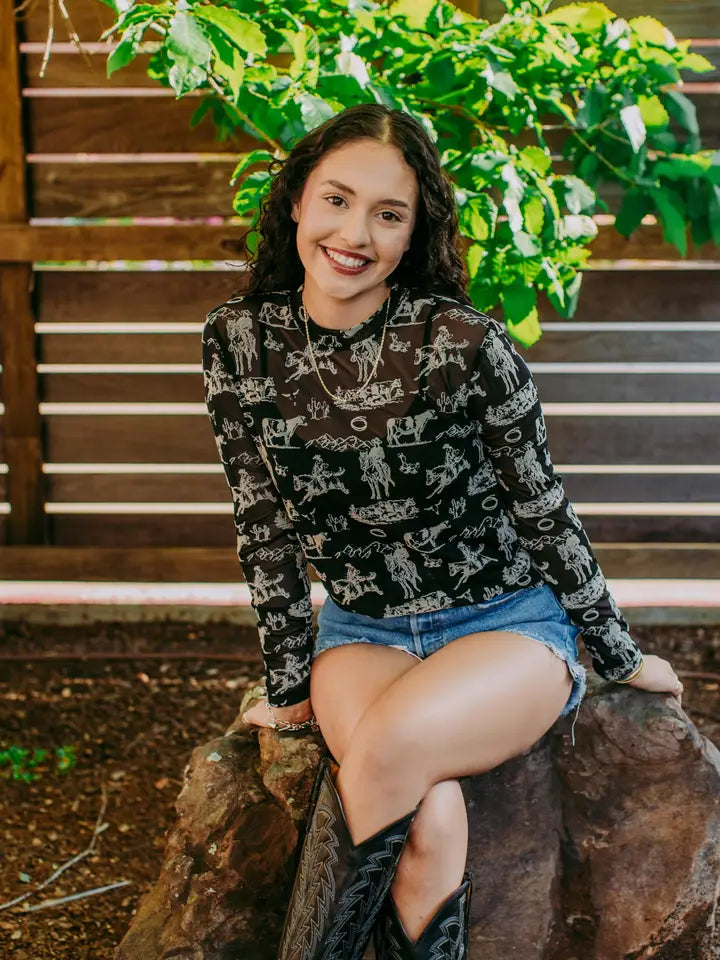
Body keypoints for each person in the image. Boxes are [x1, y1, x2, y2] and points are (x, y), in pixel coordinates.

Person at [202, 103, 684, 960]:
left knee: (385, 751)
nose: (355, 233)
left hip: (505, 627)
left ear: (414, 233)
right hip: (361, 632)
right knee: (425, 815)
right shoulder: (238, 341)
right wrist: (288, 681)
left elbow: (542, 507)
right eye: (337, 200)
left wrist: (615, 652)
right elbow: (263, 524)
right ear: (296, 202)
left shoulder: (463, 343)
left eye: (388, 214)